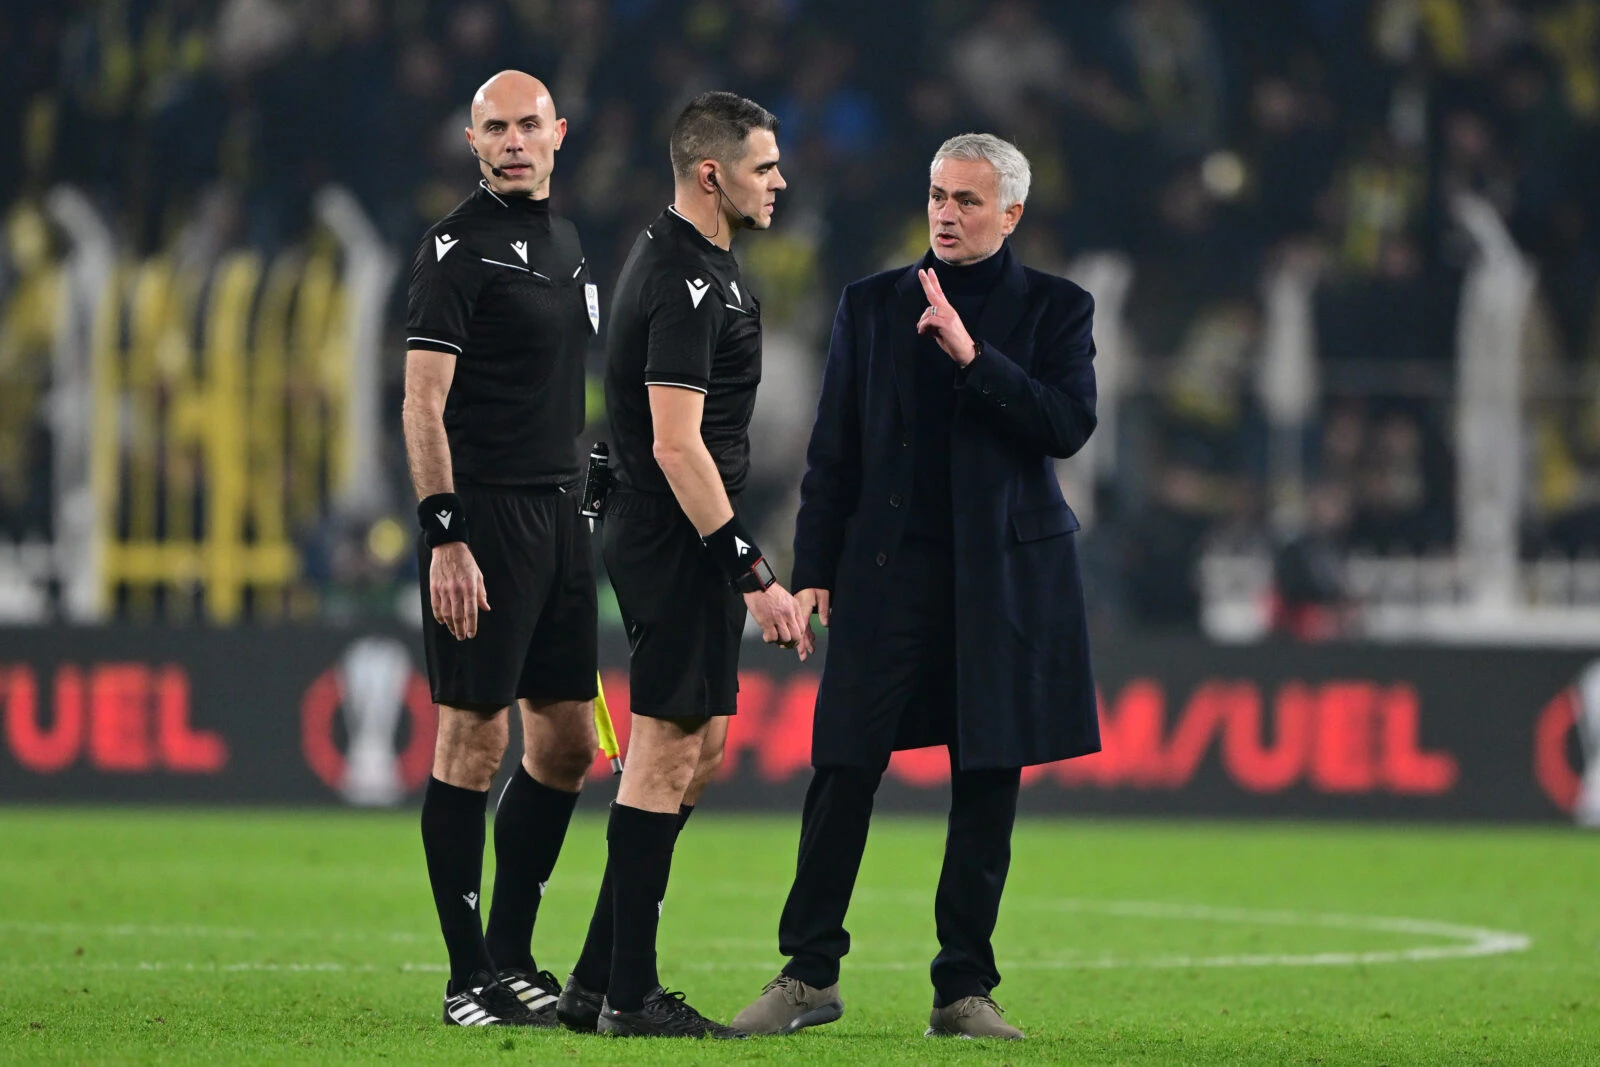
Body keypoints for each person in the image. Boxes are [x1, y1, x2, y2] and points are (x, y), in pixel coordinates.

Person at [731, 133, 1100, 1041]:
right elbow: (834, 449)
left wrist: (974, 357)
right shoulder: (871, 304)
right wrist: (813, 568)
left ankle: (962, 988)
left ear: (1010, 215)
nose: (946, 212)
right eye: (938, 194)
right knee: (844, 765)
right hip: (888, 577)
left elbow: (1065, 425)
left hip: (1001, 581)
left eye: (969, 200)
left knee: (986, 780)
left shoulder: (1058, 308)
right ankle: (808, 973)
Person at [553, 90, 804, 1040]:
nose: (778, 181)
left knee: (697, 754)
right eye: (764, 166)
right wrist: (755, 570)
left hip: (678, 533)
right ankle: (630, 993)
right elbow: (675, 443)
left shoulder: (705, 266)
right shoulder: (683, 279)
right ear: (713, 173)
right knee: (663, 753)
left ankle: (590, 979)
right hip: (675, 534)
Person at [402, 70, 601, 1028]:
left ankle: (515, 951)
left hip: (564, 518)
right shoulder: (455, 250)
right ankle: (464, 973)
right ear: (472, 140)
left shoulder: (568, 242)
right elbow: (422, 403)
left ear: (558, 133)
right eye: (497, 129)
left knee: (565, 743)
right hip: (483, 518)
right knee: (473, 737)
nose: (515, 141)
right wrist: (445, 535)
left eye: (530, 125)